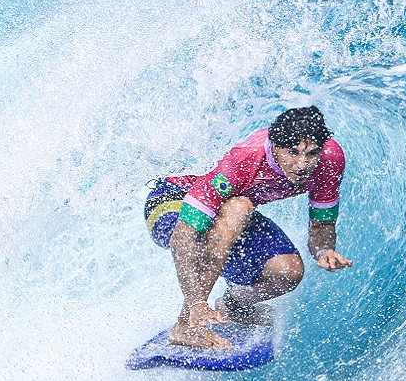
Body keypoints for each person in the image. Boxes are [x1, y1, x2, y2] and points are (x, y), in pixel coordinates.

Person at [143, 106, 353, 350]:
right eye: (293, 153)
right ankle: (187, 326)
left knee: (288, 271)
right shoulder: (246, 159)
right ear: (275, 146)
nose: (303, 164)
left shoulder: (329, 160)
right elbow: (182, 238)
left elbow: (321, 226)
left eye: (311, 154)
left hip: (224, 214)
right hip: (171, 207)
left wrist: (323, 249)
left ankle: (232, 306)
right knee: (241, 206)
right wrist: (196, 302)